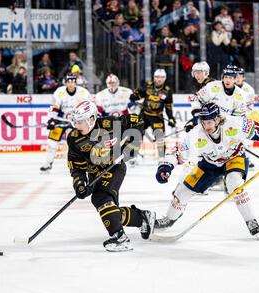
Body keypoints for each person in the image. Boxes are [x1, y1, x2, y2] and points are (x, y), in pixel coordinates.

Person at [154, 102, 259, 239]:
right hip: (209, 164)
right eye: (203, 122)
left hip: (234, 158)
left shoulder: (235, 123)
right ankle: (169, 219)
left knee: (234, 183)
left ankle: (251, 220)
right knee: (182, 192)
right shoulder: (196, 134)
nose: (206, 125)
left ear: (217, 119)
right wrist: (166, 167)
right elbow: (176, 152)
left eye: (209, 122)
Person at [67, 100, 155, 252]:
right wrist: (80, 184)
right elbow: (76, 166)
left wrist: (131, 147)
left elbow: (138, 121)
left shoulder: (111, 123)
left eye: (80, 121)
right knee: (110, 209)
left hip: (114, 167)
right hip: (95, 171)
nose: (77, 125)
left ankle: (120, 237)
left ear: (92, 119)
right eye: (75, 121)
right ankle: (142, 218)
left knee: (100, 198)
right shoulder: (74, 138)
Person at [40, 73, 91, 172]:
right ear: (66, 83)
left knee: (84, 143)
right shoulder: (59, 92)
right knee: (51, 143)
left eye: (73, 82)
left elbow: (89, 107)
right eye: (69, 82)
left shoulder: (83, 93)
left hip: (78, 122)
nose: (71, 84)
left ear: (76, 83)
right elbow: (54, 107)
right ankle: (48, 163)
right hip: (62, 120)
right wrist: (52, 120)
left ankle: (88, 163)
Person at [128, 69, 176, 161]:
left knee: (160, 137)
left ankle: (162, 158)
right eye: (157, 77)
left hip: (157, 116)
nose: (159, 79)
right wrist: (134, 96)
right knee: (136, 133)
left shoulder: (167, 90)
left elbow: (168, 106)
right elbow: (137, 95)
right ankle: (133, 155)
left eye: (162, 77)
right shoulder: (147, 85)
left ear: (165, 78)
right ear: (154, 77)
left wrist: (171, 118)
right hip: (144, 114)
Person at [184, 64, 247, 133]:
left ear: (235, 79)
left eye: (230, 78)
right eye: (226, 77)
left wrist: (225, 120)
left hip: (226, 129)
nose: (227, 80)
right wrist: (196, 117)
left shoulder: (241, 95)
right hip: (208, 125)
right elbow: (197, 99)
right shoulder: (213, 86)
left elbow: (239, 118)